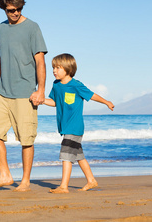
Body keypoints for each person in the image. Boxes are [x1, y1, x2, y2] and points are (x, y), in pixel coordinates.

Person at [0, 0, 47, 192]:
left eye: (18, 8)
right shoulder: (1, 29)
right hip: (3, 92)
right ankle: (5, 175)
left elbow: (40, 61)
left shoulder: (33, 27)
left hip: (26, 93)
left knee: (26, 139)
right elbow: (2, 58)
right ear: (3, 8)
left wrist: (41, 90)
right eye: (11, 10)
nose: (15, 13)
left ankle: (25, 181)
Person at [43, 53, 114, 193]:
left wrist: (106, 102)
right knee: (78, 156)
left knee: (66, 155)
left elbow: (91, 95)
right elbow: (55, 102)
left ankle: (63, 186)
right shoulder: (56, 85)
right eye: (53, 68)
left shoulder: (76, 85)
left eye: (58, 68)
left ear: (68, 68)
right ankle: (91, 180)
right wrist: (42, 100)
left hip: (74, 126)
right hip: (65, 126)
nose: (54, 71)